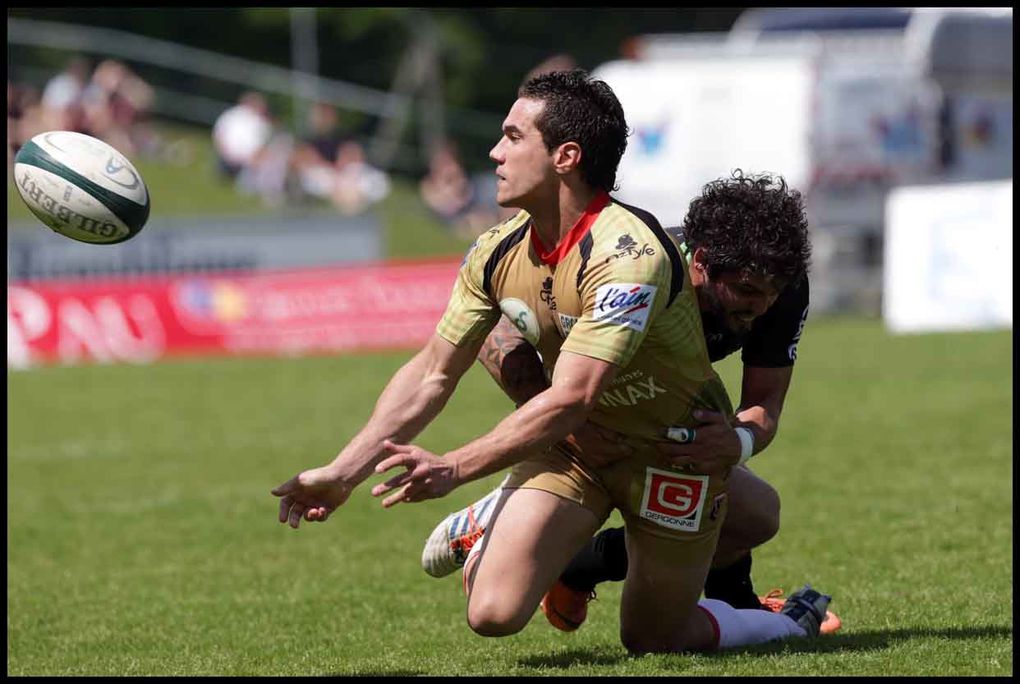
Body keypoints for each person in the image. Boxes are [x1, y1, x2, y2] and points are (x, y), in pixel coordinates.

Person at [272, 69, 831, 653]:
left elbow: (576, 398)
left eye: (513, 138)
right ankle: (513, 526)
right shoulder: (495, 251)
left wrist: (456, 467)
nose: (494, 152)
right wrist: (343, 471)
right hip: (574, 451)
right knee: (490, 614)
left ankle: (789, 619)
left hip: (670, 457)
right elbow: (434, 371)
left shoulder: (628, 255)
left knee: (659, 634)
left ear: (564, 156)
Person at [422, 170, 841, 636]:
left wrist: (735, 444)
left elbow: (765, 404)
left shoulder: (777, 286)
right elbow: (492, 322)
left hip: (660, 442)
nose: (761, 307)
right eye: (746, 291)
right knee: (492, 615)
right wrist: (565, 419)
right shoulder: (639, 264)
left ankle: (580, 567)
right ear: (700, 263)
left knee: (756, 517)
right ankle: (499, 522)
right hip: (577, 440)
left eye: (773, 293)